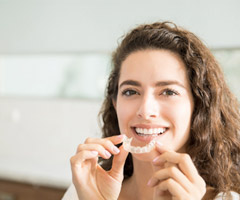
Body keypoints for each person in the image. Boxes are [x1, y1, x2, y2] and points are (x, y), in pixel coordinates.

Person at [62, 21, 240, 200]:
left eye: (168, 92)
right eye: (130, 91)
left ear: (199, 105)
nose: (145, 111)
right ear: (115, 104)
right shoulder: (82, 193)